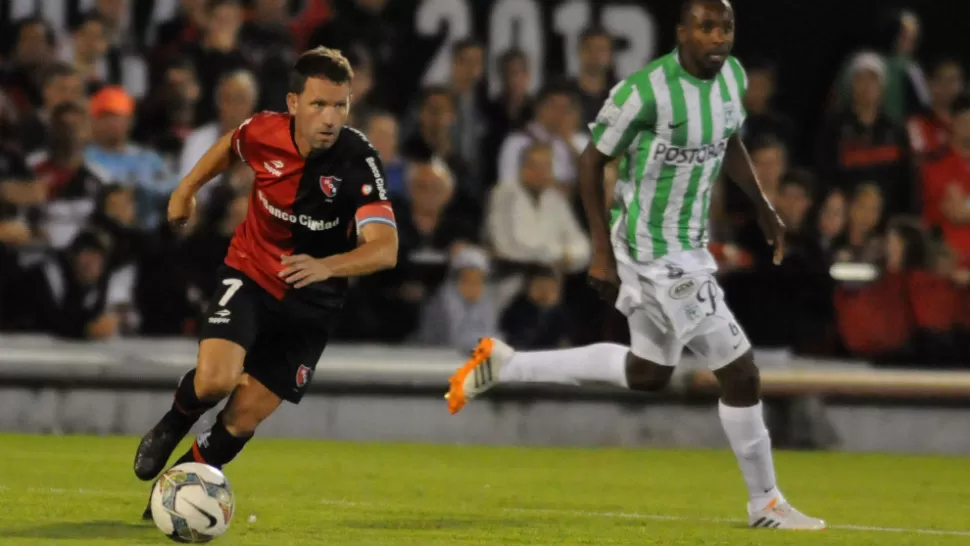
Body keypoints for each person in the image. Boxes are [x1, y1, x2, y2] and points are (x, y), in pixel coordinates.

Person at [445, 0, 824, 531]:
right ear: (682, 32)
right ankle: (765, 503)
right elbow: (590, 159)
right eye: (706, 27)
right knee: (740, 372)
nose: (718, 38)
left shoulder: (733, 77)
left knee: (648, 372)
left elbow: (729, 140)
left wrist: (763, 207)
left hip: (688, 244)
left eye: (727, 27)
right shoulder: (645, 90)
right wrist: (601, 251)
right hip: (653, 249)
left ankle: (508, 364)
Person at [132, 47, 398, 518]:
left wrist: (328, 265)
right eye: (319, 104)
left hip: (313, 305)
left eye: (341, 105)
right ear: (293, 103)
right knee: (215, 381)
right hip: (252, 272)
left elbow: (385, 248)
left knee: (242, 418)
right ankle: (176, 419)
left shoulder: (360, 161)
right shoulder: (263, 131)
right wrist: (186, 189)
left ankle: (166, 504)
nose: (330, 118)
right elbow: (229, 147)